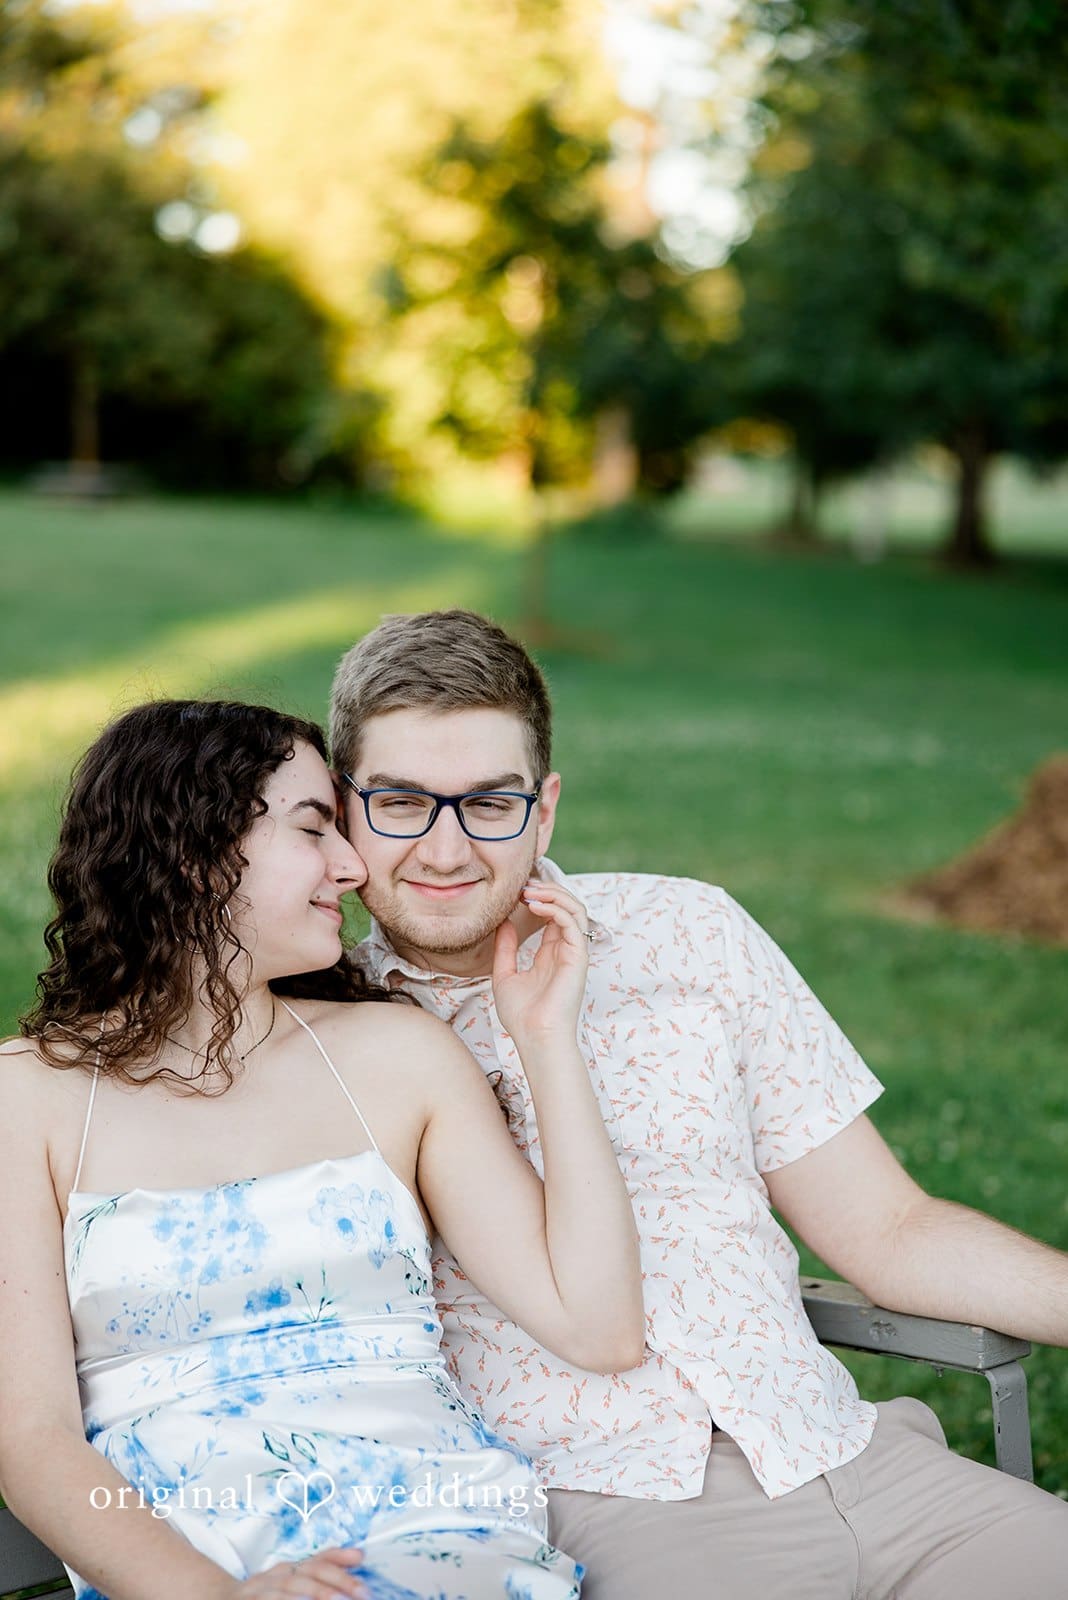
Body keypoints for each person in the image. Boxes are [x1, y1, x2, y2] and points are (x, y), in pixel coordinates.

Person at [329, 607, 1068, 1600]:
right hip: (613, 1501)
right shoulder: (332, 1031)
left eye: (491, 803)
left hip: (847, 1451)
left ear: (545, 809)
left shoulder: (690, 929)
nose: (447, 848)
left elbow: (889, 1227)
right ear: (342, 811)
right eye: (401, 802)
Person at [0, 699, 646, 1600]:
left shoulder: (396, 1057)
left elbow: (600, 1327)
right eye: (314, 830)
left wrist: (546, 1042)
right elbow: (32, 1440)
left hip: (434, 1540)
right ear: (193, 851)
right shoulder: (28, 1097)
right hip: (185, 1569)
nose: (351, 867)